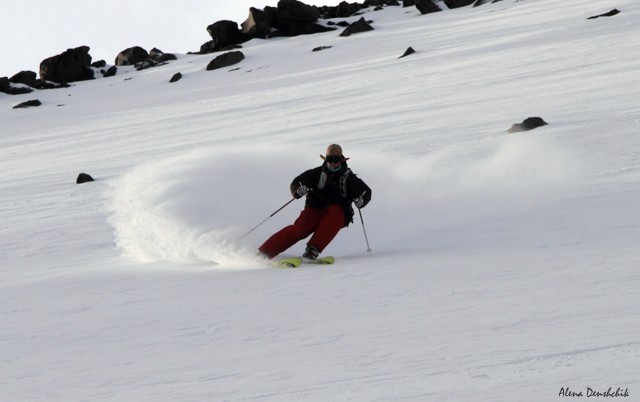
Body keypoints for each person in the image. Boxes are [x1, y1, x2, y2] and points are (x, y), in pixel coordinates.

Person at [258, 144, 371, 260]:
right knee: (299, 230)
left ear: (341, 160)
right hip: (314, 209)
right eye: (330, 159)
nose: (332, 163)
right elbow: (296, 182)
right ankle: (265, 253)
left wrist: (361, 201)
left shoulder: (349, 178)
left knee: (334, 214)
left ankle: (312, 250)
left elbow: (366, 192)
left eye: (336, 160)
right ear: (326, 159)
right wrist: (298, 190)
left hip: (338, 213)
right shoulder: (316, 173)